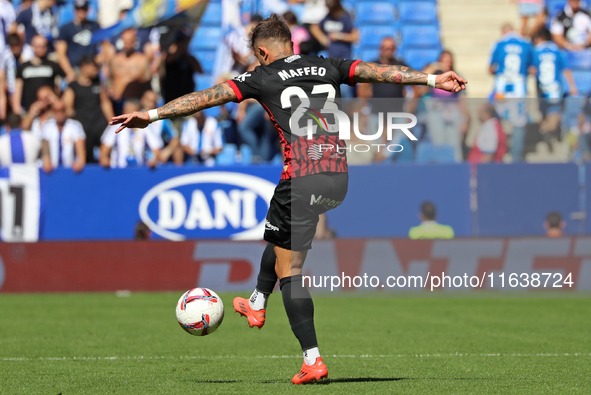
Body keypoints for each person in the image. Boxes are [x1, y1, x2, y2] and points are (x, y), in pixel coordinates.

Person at [109, 14, 466, 384]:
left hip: (299, 177)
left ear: (262, 52)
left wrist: (151, 115)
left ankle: (312, 359)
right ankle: (257, 302)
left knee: (290, 270)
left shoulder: (261, 76)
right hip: (337, 177)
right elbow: (381, 72)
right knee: (279, 237)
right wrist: (432, 79)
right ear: (292, 43)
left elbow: (205, 98)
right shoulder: (330, 64)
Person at [489, 22, 536, 161]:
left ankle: (498, 154)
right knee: (518, 125)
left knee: (496, 120)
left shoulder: (498, 44)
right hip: (519, 90)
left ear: (503, 32)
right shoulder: (526, 44)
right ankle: (516, 159)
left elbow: (490, 68)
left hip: (501, 91)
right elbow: (532, 69)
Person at [62, 55, 114, 163]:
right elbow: (68, 107)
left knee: (106, 156)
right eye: (93, 67)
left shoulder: (98, 84)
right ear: (84, 67)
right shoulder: (73, 86)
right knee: (86, 157)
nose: (96, 70)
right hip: (82, 127)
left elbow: (105, 103)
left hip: (99, 125)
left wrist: (112, 121)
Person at [533, 28, 578, 151]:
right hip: (554, 88)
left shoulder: (536, 51)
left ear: (539, 39)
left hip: (542, 88)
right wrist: (572, 86)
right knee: (554, 112)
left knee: (545, 113)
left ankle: (546, 132)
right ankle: (549, 132)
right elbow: (566, 69)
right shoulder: (557, 50)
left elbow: (531, 69)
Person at [424, 50, 471, 162]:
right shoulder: (434, 77)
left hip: (453, 114)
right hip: (436, 113)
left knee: (454, 145)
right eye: (444, 61)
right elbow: (422, 79)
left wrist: (465, 119)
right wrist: (436, 66)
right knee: (438, 144)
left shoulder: (457, 76)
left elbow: (462, 99)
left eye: (449, 61)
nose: (447, 63)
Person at [100, 100, 162, 168]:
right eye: (128, 112)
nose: (130, 117)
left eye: (133, 113)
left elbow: (156, 148)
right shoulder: (115, 127)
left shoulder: (145, 127)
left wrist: (154, 161)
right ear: (123, 112)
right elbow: (104, 149)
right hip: (118, 169)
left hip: (139, 169)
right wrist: (105, 160)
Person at [14, 34, 65, 113]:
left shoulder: (53, 66)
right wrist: (17, 108)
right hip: (30, 110)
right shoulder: (23, 67)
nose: (40, 49)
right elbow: (18, 88)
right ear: (32, 46)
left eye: (43, 46)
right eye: (37, 46)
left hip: (49, 111)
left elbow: (61, 85)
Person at [108, 28, 151, 114]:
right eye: (125, 41)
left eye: (129, 41)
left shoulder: (142, 60)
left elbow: (147, 83)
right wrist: (110, 90)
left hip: (134, 102)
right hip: (117, 102)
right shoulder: (115, 60)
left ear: (134, 41)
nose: (127, 44)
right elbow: (109, 78)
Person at [56, 0, 100, 83]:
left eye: (83, 9)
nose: (80, 12)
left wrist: (96, 65)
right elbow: (61, 53)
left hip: (91, 69)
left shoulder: (95, 26)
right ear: (74, 10)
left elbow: (105, 46)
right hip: (74, 68)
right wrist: (69, 72)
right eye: (78, 9)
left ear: (88, 10)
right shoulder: (66, 28)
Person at [40, 100, 86, 172]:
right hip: (53, 169)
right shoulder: (47, 126)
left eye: (62, 110)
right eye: (57, 111)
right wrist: (46, 160)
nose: (60, 113)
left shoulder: (75, 126)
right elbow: (45, 144)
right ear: (53, 112)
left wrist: (80, 161)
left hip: (70, 169)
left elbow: (80, 146)